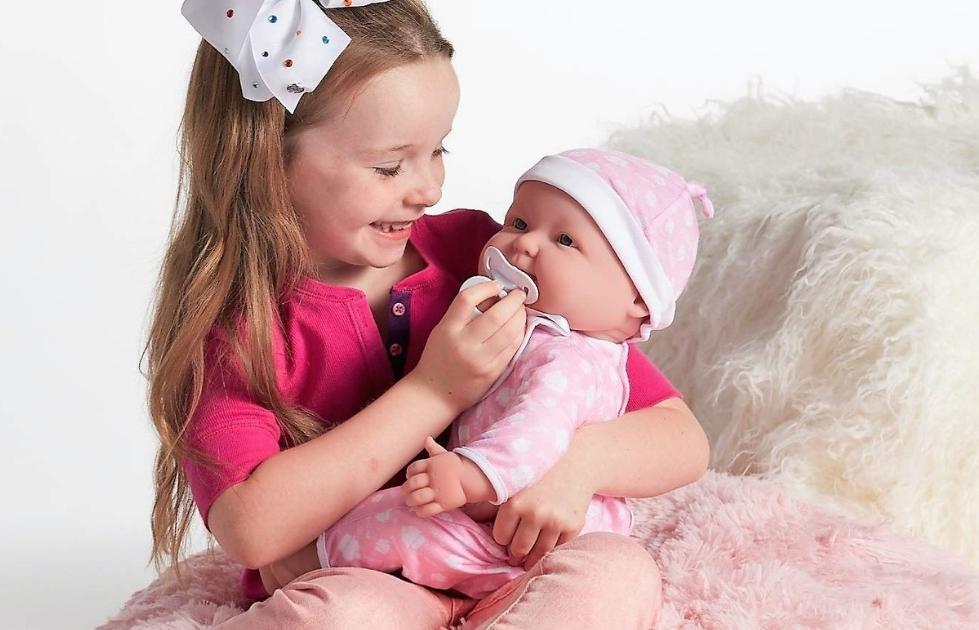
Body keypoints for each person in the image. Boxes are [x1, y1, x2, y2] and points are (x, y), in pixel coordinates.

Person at [147, 1, 710, 628]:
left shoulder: (485, 253)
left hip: (512, 572)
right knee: (333, 617)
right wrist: (438, 388)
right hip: (369, 578)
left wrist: (579, 466)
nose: (429, 189)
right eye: (390, 165)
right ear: (266, 158)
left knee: (615, 572)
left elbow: (679, 437)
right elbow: (251, 530)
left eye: (437, 150)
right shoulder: (237, 328)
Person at [310, 148, 715, 599]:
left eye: (565, 241)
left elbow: (536, 433)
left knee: (396, 519)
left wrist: (469, 475)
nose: (523, 243)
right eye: (519, 224)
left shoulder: (569, 360)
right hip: (496, 512)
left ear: (639, 298)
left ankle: (312, 563)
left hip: (517, 527)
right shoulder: (529, 328)